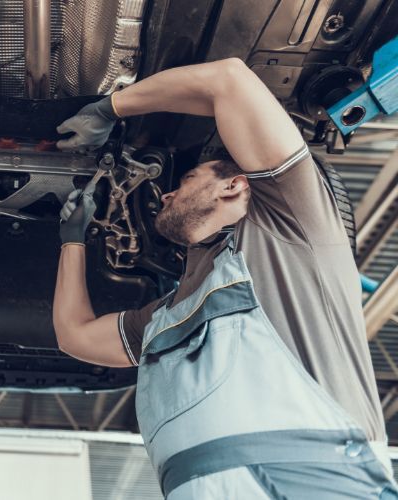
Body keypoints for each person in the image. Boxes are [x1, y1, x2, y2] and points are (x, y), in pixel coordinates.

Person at [52, 58, 397, 498]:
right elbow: (76, 336)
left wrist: (111, 108)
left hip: (315, 480)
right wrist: (72, 241)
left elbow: (228, 79)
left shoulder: (290, 227)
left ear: (233, 185)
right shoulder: (166, 317)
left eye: (187, 178)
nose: (168, 193)